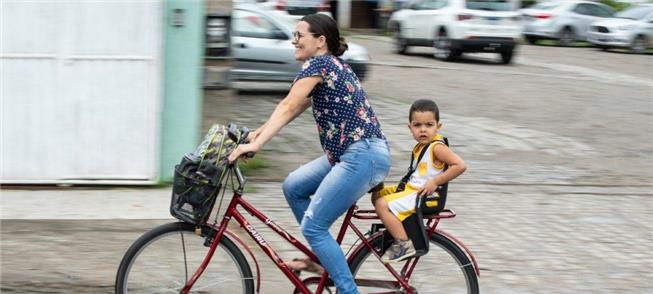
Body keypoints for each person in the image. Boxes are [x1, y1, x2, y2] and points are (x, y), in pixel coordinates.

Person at [228, 13, 391, 294]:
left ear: (320, 41)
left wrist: (257, 145)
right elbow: (290, 108)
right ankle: (319, 260)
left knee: (314, 226)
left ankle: (347, 290)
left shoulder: (320, 64)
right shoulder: (331, 67)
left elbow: (289, 106)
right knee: (294, 186)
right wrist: (258, 133)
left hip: (361, 155)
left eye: (299, 36)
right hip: (354, 155)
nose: (294, 41)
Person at [371, 99, 466, 263]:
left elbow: (460, 165)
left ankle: (403, 244)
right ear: (410, 128)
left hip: (422, 195)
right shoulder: (421, 147)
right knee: (377, 195)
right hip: (411, 190)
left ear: (438, 126)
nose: (423, 130)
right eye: (417, 125)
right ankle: (396, 229)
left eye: (429, 125)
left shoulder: (437, 148)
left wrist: (436, 181)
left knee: (381, 204)